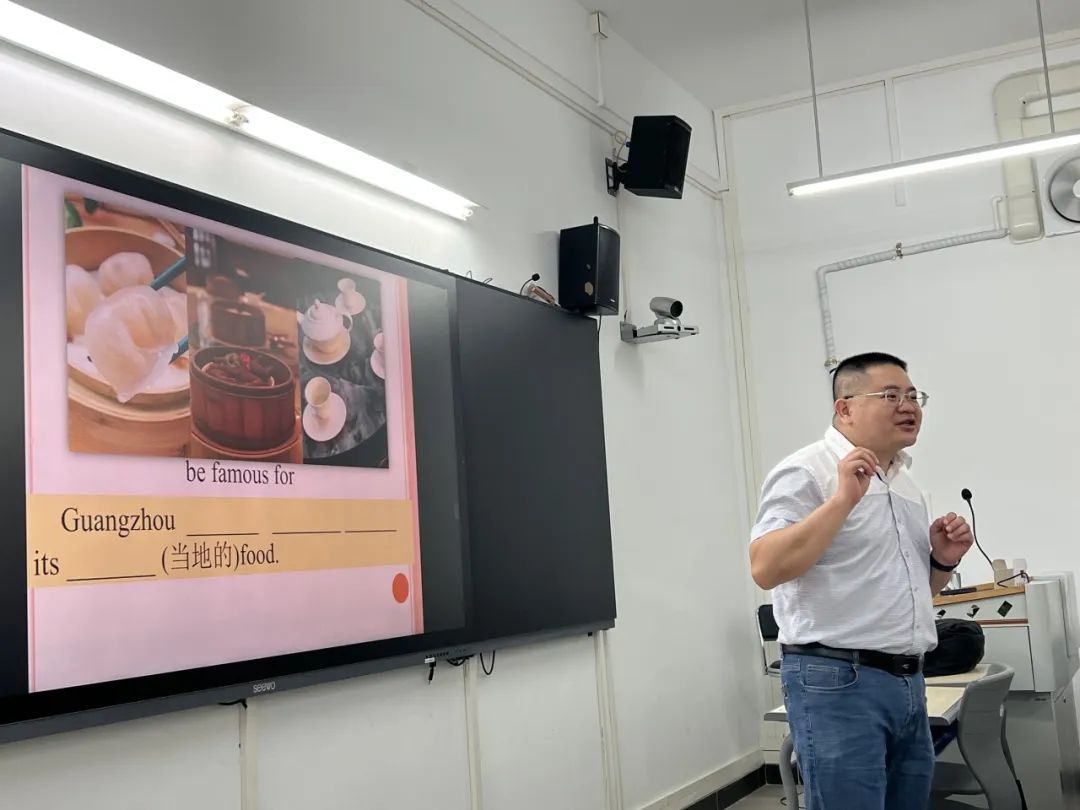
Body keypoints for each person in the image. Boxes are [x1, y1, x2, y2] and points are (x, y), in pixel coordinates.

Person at [749, 352, 974, 810]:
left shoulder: (905, 485)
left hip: (908, 680)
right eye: (890, 395)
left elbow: (911, 596)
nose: (908, 406)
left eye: (913, 395)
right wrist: (842, 501)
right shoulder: (807, 470)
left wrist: (942, 561)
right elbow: (766, 567)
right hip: (837, 680)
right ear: (845, 408)